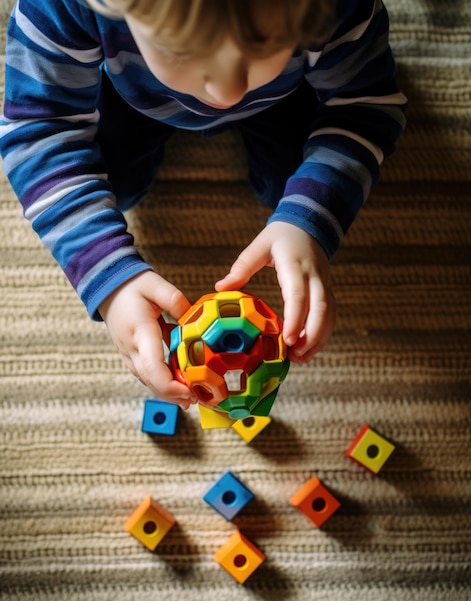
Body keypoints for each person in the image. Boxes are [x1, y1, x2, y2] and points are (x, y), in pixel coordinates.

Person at [0, 0, 407, 408]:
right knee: (111, 190)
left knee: (290, 190)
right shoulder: (61, 7)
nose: (225, 91)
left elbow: (365, 105)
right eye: (181, 51)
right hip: (128, 95)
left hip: (285, 94)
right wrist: (110, 278)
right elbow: (38, 130)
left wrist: (309, 221)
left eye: (262, 45)